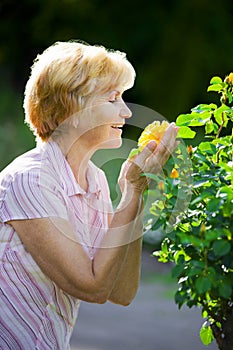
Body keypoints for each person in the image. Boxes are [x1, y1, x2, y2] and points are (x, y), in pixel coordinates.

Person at [0, 41, 178, 349]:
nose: (125, 110)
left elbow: (120, 292)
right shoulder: (29, 180)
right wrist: (132, 192)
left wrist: (135, 194)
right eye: (113, 98)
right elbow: (91, 286)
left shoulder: (93, 180)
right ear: (73, 109)